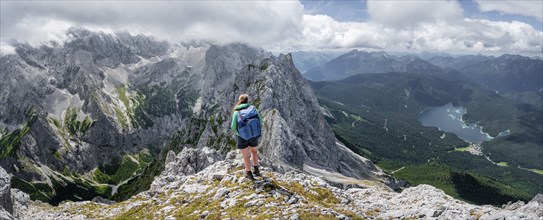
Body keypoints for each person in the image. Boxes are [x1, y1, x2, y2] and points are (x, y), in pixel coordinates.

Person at [230, 94, 263, 180]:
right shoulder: (253, 109)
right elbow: (261, 121)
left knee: (246, 156)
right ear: (248, 100)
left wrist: (239, 131)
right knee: (254, 152)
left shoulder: (236, 112)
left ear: (239, 101)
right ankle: (256, 169)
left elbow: (233, 127)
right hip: (253, 134)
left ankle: (249, 173)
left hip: (242, 137)